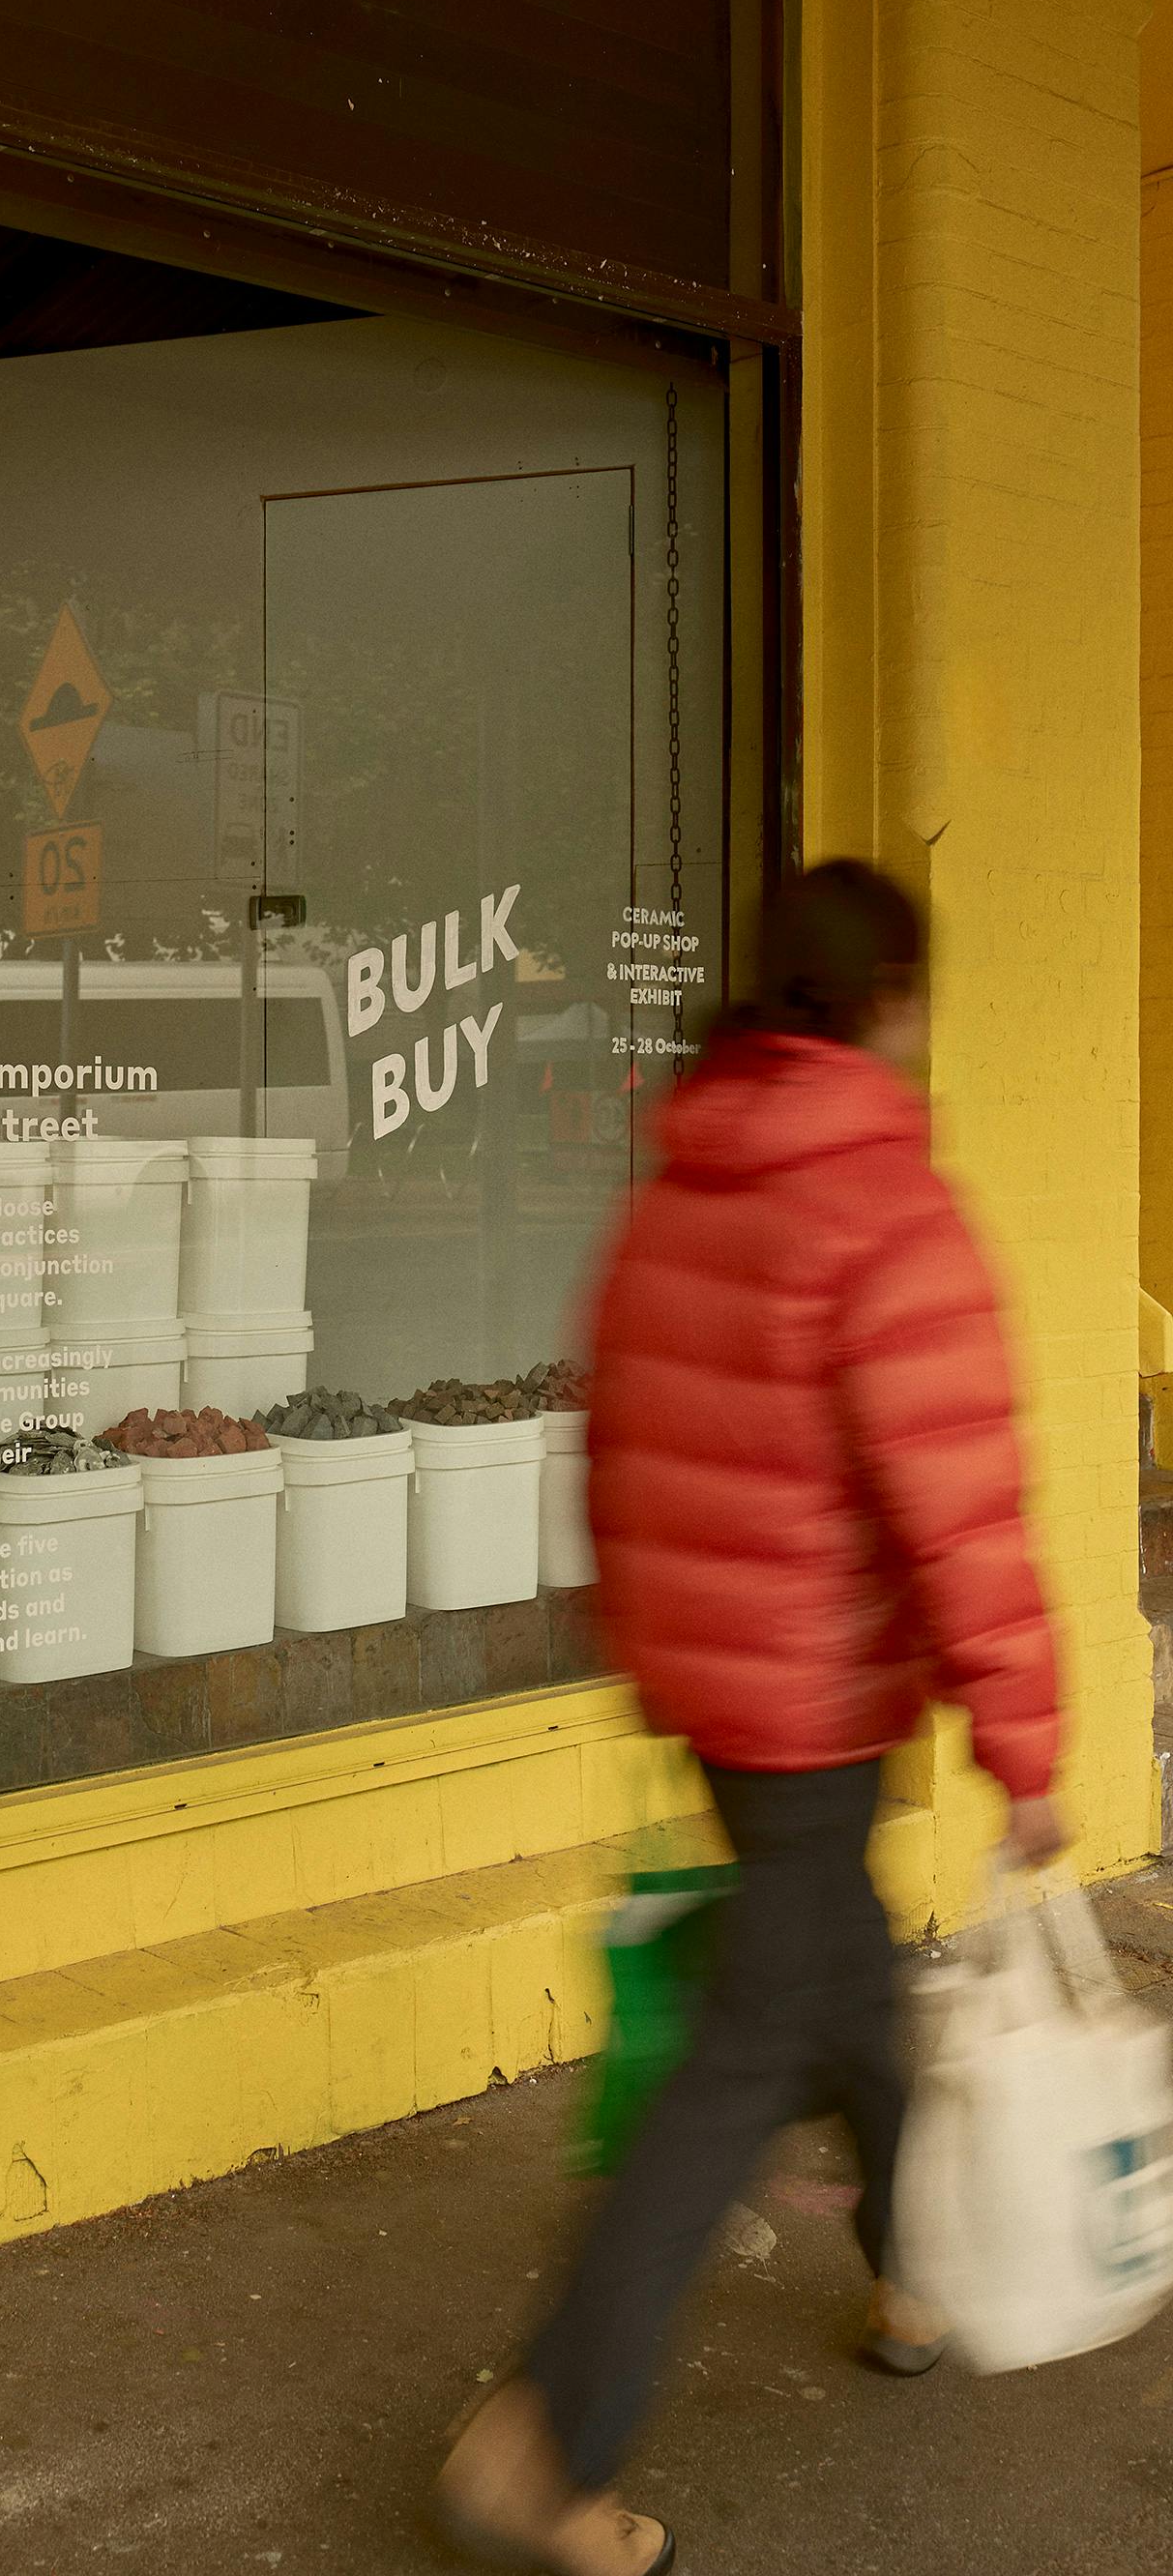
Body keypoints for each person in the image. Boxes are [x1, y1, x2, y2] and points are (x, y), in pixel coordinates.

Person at [428, 859, 1067, 2576]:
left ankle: (908, 2274)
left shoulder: (686, 1180)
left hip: (720, 1697)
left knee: (836, 1976)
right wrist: (1028, 1740)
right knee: (740, 2063)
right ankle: (544, 2447)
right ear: (893, 1003)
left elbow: (615, 1432)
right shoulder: (885, 1206)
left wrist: (651, 1644)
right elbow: (960, 1509)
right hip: (814, 1705)